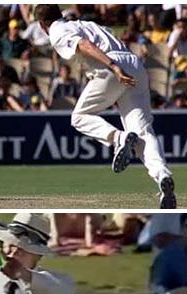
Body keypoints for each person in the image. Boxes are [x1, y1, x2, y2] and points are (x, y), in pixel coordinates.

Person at [35, 4, 177, 209]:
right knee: (143, 131)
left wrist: (113, 67)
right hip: (134, 64)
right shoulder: (84, 24)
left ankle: (119, 138)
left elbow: (83, 45)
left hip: (111, 66)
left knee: (79, 117)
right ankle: (163, 177)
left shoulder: (57, 31)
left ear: (42, 25)